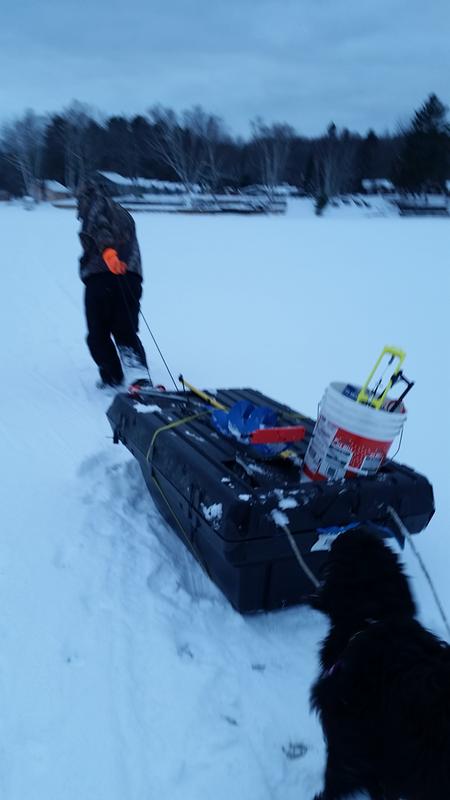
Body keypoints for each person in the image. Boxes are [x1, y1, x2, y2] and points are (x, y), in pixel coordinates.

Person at [77, 182, 150, 388]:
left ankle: (112, 377)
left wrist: (108, 253)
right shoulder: (123, 212)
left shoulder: (95, 202)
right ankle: (138, 378)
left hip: (102, 276)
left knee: (97, 333)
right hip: (131, 276)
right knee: (125, 329)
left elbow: (100, 227)